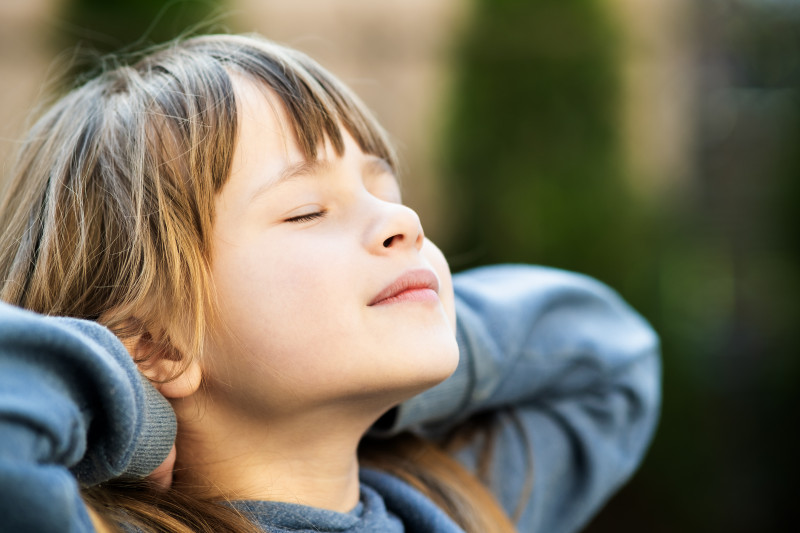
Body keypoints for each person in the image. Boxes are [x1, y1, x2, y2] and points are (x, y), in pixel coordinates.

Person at [0, 34, 660, 533]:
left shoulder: (456, 502)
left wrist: (410, 342)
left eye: (385, 192)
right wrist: (133, 402)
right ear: (153, 341)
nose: (402, 221)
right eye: (308, 211)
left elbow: (611, 357)